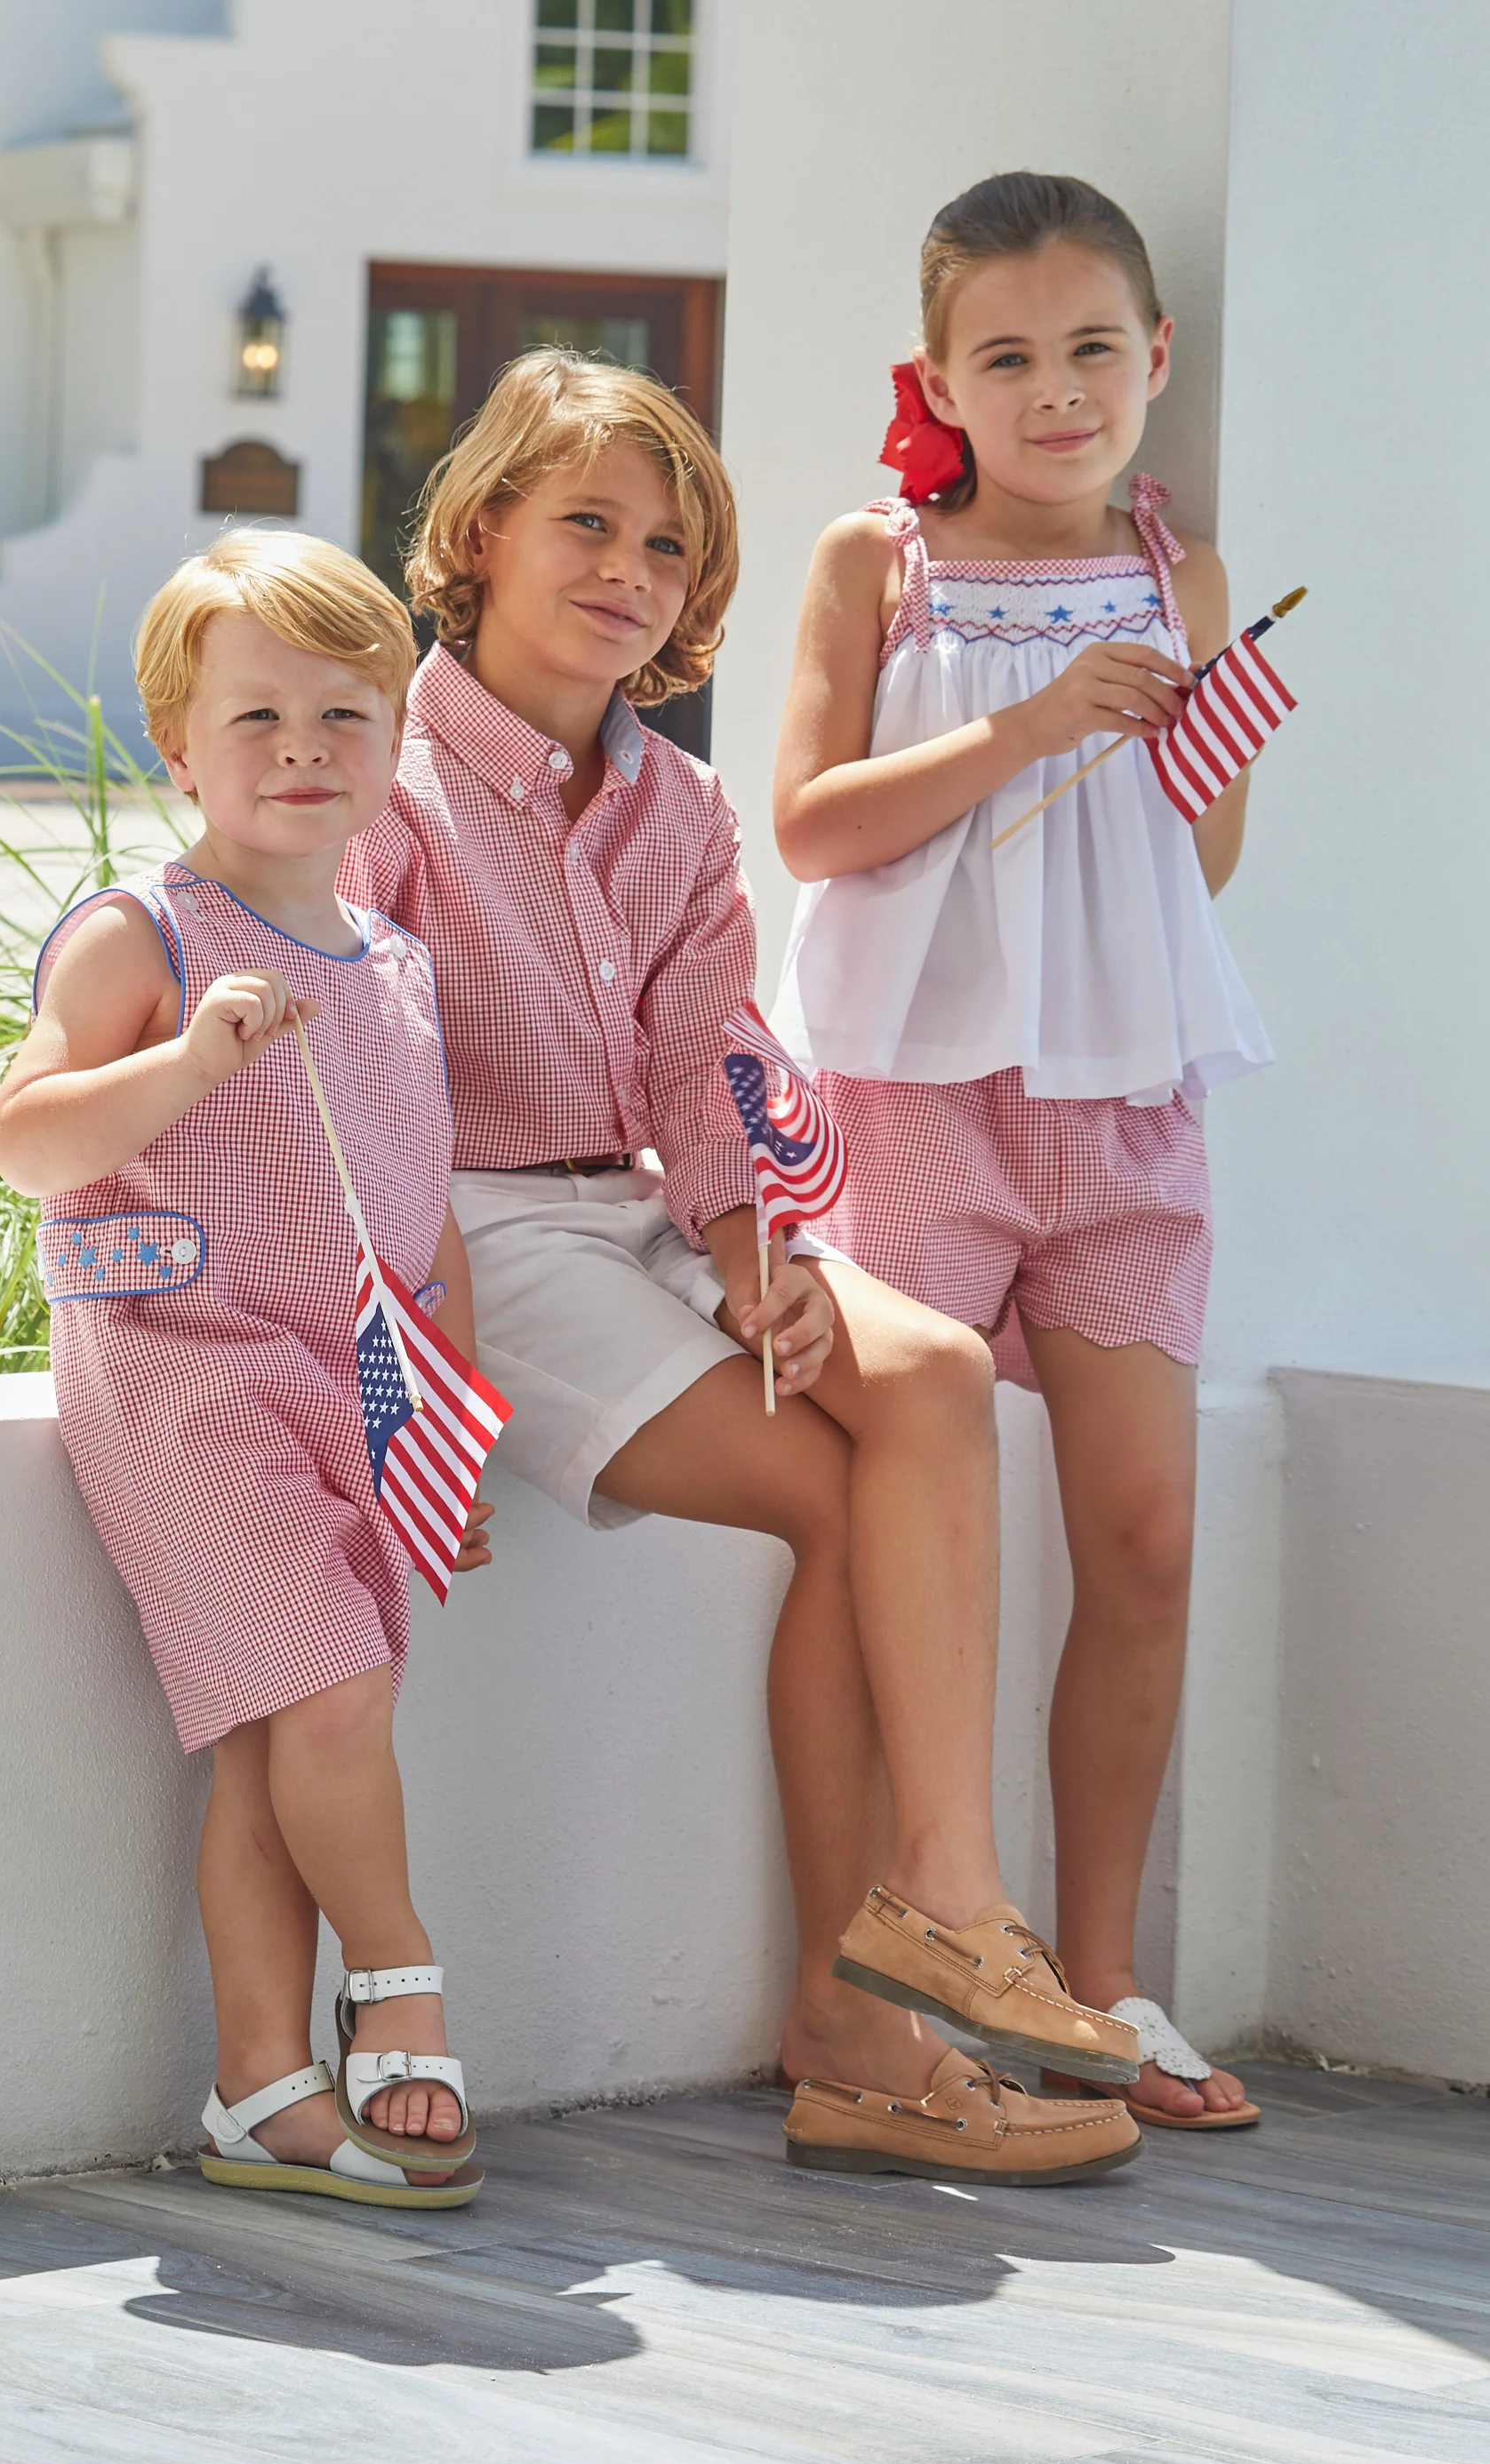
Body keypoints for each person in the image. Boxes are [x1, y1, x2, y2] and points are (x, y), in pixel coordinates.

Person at [341, 348, 1142, 2185]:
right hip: (480, 1241)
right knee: (840, 1504)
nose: (632, 570)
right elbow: (343, 1072)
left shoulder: (682, 818)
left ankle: (943, 1898)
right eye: (589, 526)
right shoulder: (382, 778)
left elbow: (713, 1066)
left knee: (928, 1366)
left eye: (672, 545)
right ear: (481, 532)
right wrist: (403, 1350)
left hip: (643, 1212)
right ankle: (850, 2034)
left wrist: (753, 1251)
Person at [771, 172, 1270, 2132]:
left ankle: (1101, 1980)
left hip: (1128, 1100)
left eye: (1090, 350)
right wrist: (1033, 721)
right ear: (942, 379)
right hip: (918, 1100)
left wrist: (1178, 749)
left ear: (1153, 361)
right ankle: (920, 1965)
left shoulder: (1188, 570)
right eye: (1008, 355)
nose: (1054, 389)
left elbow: (1204, 863)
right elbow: (808, 826)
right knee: (919, 1507)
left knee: (1142, 1538)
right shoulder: (877, 562)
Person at [0, 531, 493, 2208]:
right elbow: (26, 1135)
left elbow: (425, 1220)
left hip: (345, 1394)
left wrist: (454, 1418)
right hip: (182, 1374)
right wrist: (191, 1057)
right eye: (258, 715)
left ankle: (261, 2082)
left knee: (284, 1739)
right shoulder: (147, 933)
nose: (300, 751)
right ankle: (400, 1967)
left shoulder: (397, 964)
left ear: (394, 741)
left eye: (345, 717)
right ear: (176, 746)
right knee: (331, 1694)